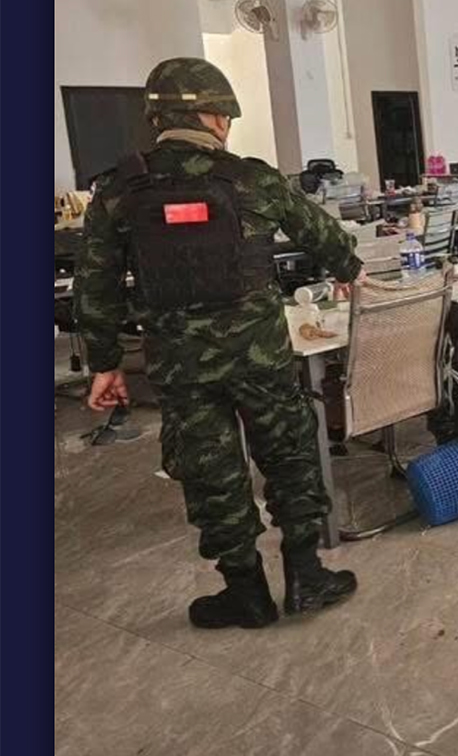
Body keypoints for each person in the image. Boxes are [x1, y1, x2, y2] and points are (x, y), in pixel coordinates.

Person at [74, 58, 366, 631]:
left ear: (158, 119)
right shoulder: (253, 179)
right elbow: (329, 241)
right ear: (215, 117)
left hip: (180, 367)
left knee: (212, 472)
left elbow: (96, 286)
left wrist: (105, 365)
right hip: (261, 356)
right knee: (288, 456)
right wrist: (349, 271)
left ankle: (245, 594)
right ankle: (306, 577)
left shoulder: (118, 191)